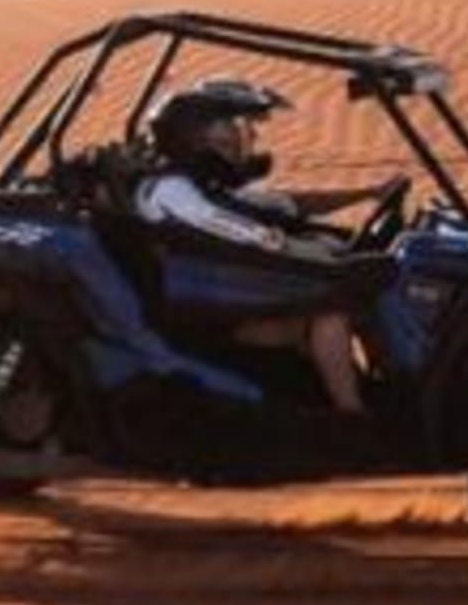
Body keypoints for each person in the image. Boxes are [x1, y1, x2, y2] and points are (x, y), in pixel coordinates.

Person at [131, 77, 404, 414]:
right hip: (211, 319)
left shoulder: (205, 185)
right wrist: (302, 252)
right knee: (329, 315)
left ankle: (384, 390)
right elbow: (235, 229)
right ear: (198, 140)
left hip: (231, 299)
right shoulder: (172, 190)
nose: (246, 140)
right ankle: (352, 416)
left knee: (357, 299)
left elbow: (286, 205)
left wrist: (367, 194)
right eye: (232, 133)